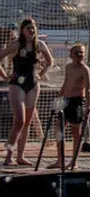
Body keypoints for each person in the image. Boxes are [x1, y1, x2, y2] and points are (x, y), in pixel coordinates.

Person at [3, 17, 54, 166]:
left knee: (27, 123)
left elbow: (50, 62)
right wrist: (5, 76)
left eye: (33, 28)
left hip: (33, 84)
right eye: (28, 28)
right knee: (19, 121)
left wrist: (41, 74)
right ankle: (9, 156)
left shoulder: (40, 44)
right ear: (22, 30)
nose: (31, 30)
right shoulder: (17, 44)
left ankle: (20, 156)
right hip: (17, 84)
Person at [50, 44, 90, 171]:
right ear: (71, 55)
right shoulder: (68, 67)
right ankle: (60, 159)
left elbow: (88, 89)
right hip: (65, 100)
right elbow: (65, 84)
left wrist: (88, 107)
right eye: (77, 52)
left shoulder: (85, 69)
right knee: (58, 129)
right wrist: (58, 101)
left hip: (77, 102)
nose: (79, 55)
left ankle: (74, 162)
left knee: (76, 133)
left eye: (81, 52)